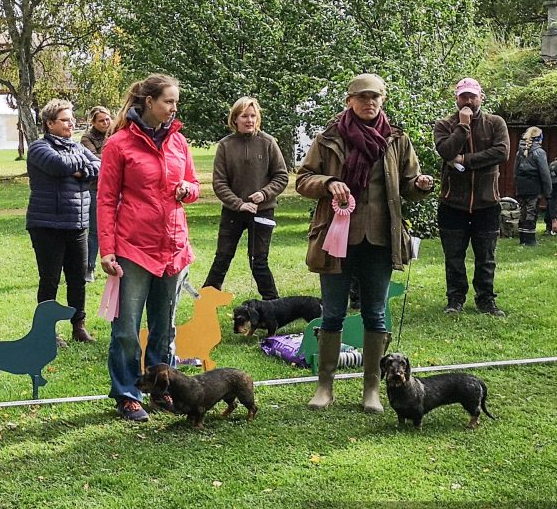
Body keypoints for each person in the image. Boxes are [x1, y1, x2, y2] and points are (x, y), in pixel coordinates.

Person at [296, 74, 433, 413]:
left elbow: (408, 185)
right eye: (363, 97)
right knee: (333, 313)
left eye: (376, 97)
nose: (370, 103)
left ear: (382, 100)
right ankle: (324, 386)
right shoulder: (328, 137)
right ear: (349, 101)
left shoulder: (396, 140)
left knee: (375, 314)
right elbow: (302, 179)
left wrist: (421, 184)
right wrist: (328, 183)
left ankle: (371, 387)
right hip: (335, 239)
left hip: (381, 240)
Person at [97, 74, 200, 422]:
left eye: (175, 102)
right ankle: (127, 393)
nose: (174, 108)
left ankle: (162, 391)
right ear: (149, 102)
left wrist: (189, 188)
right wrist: (107, 250)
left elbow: (196, 185)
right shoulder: (119, 145)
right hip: (133, 249)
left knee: (165, 328)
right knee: (126, 328)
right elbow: (107, 200)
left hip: (173, 247)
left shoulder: (179, 143)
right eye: (169, 101)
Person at [434, 77, 510, 316]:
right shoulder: (444, 125)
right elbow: (446, 151)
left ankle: (486, 299)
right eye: (463, 96)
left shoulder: (495, 123)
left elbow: (502, 152)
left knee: (486, 257)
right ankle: (455, 300)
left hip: (487, 203)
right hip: (452, 203)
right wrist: (463, 126)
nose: (468, 100)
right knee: (454, 257)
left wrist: (465, 160)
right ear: (456, 98)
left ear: (481, 97)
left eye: (472, 96)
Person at [27, 99, 101, 344]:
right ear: (50, 123)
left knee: (77, 278)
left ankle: (78, 326)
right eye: (65, 120)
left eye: (72, 119)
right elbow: (59, 165)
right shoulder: (39, 148)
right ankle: (46, 330)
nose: (71, 124)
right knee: (50, 280)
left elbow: (100, 165)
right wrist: (81, 167)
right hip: (47, 225)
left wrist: (80, 169)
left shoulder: (76, 147)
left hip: (77, 223)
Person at [201, 97, 288, 299]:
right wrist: (239, 204)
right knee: (222, 257)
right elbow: (219, 183)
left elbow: (281, 176)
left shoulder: (268, 142)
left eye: (253, 116)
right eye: (244, 116)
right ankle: (205, 304)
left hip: (263, 211)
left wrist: (264, 193)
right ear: (235, 119)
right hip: (233, 212)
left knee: (258, 260)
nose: (249, 120)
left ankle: (273, 304)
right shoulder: (225, 146)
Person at [80, 106, 112, 282]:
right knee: (95, 230)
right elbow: (97, 162)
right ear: (93, 122)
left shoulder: (116, 132)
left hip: (117, 188)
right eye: (101, 120)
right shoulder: (87, 138)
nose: (106, 123)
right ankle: (89, 267)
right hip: (95, 188)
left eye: (108, 119)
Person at [513, 127, 552, 247]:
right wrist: (548, 191)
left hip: (521, 185)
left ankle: (522, 239)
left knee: (523, 211)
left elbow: (515, 170)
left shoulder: (519, 151)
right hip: (534, 185)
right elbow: (545, 173)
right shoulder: (539, 152)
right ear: (539, 138)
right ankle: (530, 240)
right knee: (532, 211)